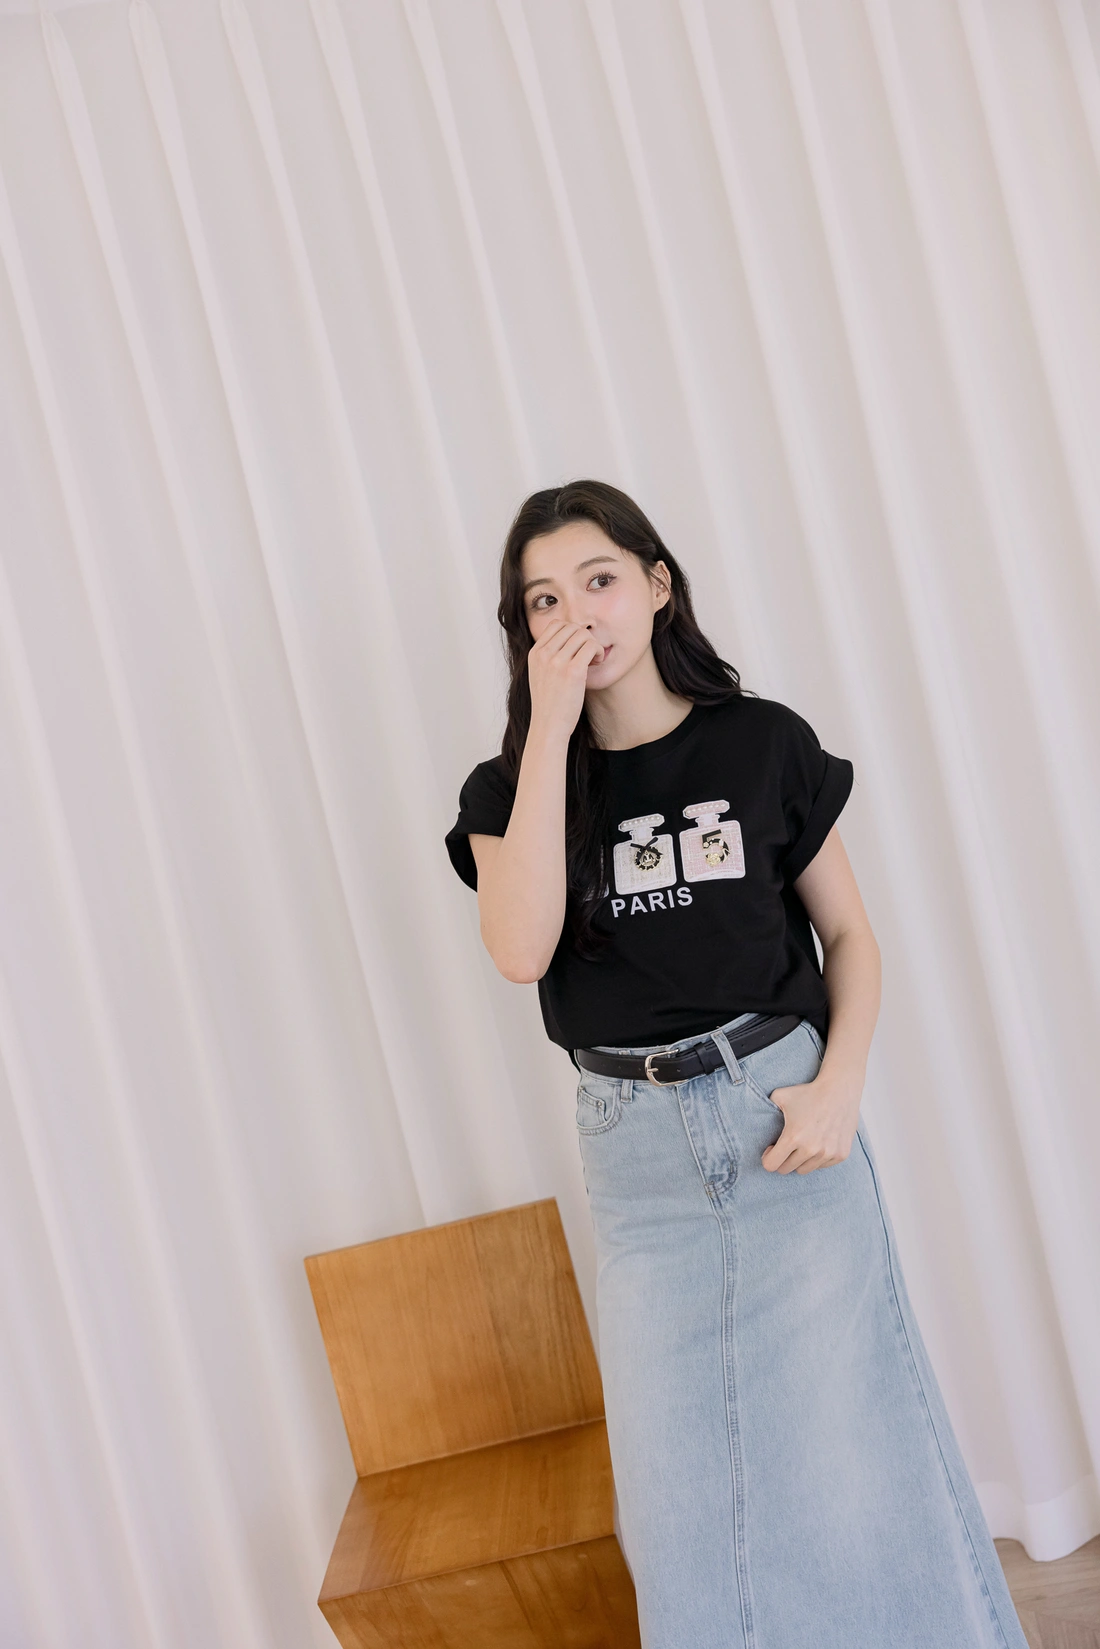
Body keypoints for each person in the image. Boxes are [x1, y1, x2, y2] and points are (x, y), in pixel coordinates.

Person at [444, 480, 1027, 1649]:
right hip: (639, 1160)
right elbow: (519, 951)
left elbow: (850, 937)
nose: (575, 615)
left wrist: (838, 1085)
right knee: (680, 1510)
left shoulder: (759, 742)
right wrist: (547, 729)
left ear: (657, 584)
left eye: (598, 580)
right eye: (541, 600)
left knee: (852, 1458)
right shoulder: (507, 790)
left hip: (783, 1114)